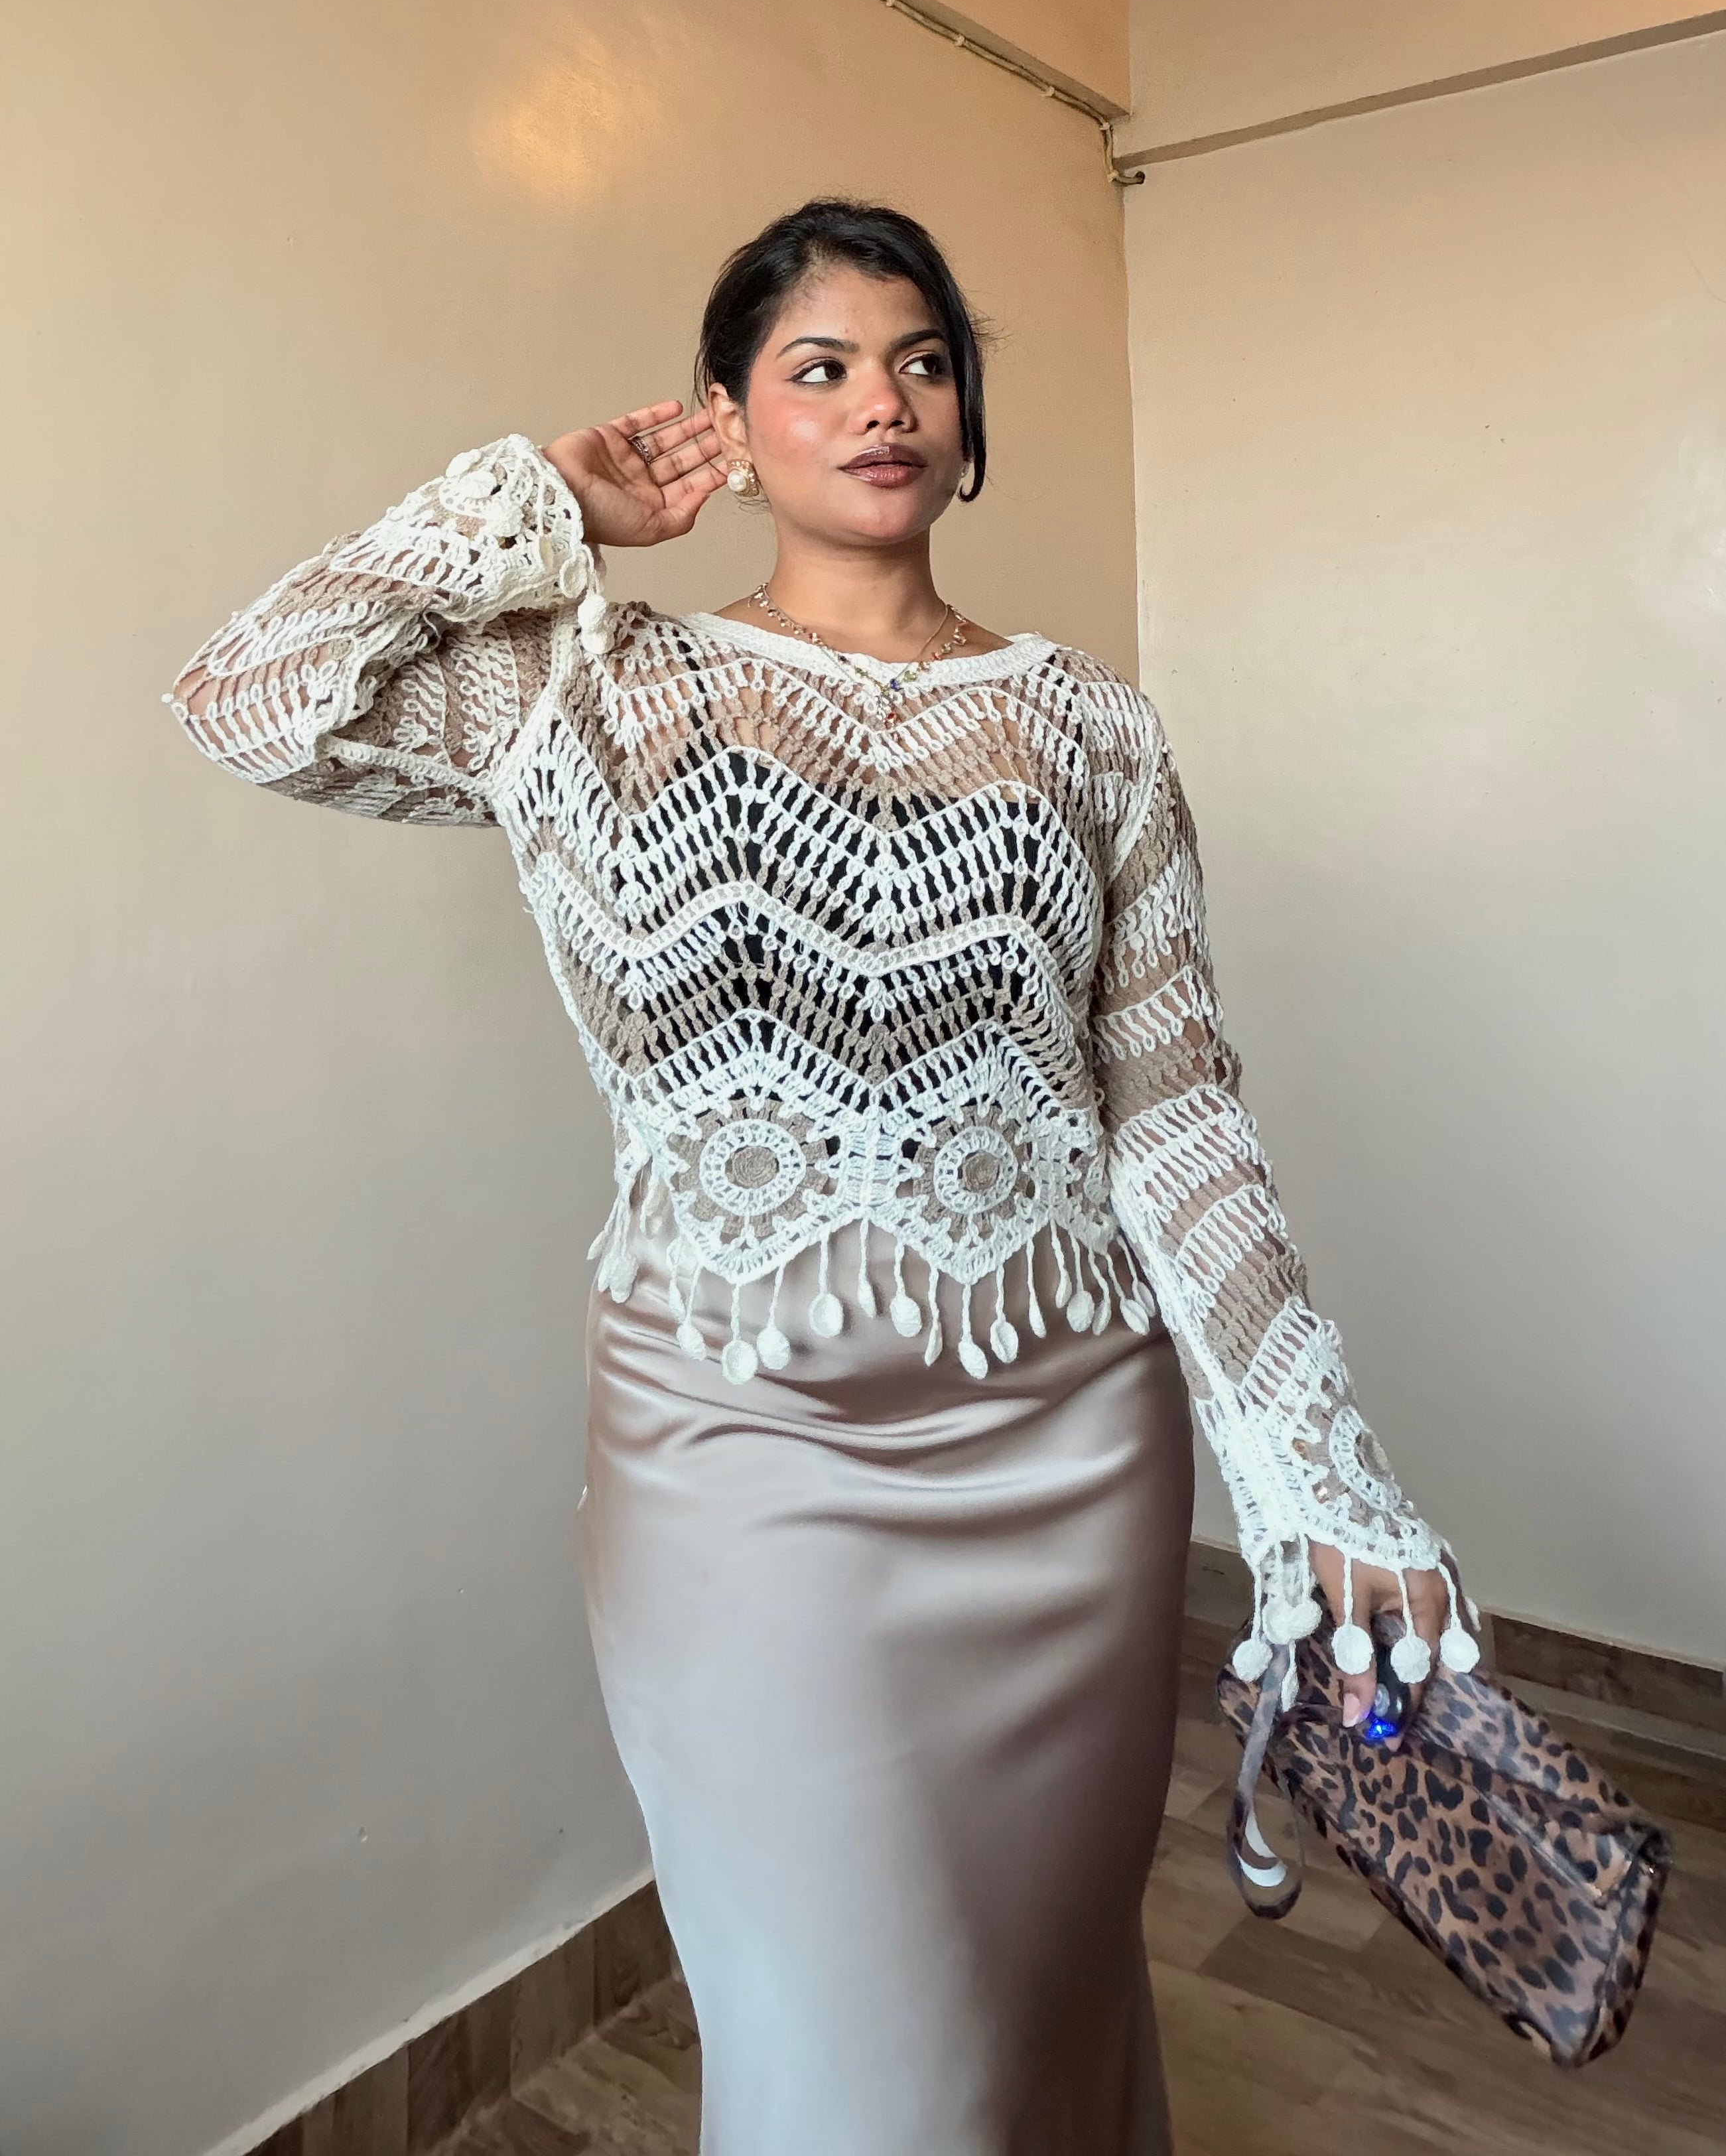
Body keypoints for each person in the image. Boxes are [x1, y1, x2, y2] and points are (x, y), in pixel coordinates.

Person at [169, 196, 1473, 2156]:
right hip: (734, 1454)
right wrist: (540, 503)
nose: (885, 402)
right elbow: (250, 696)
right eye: (823, 366)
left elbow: (1177, 1112)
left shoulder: (1090, 727)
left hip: (1069, 1455)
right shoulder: (594, 689)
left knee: (1037, 1997)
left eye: (924, 363)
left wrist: (1322, 1471)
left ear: (966, 422)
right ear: (729, 418)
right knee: (867, 2061)